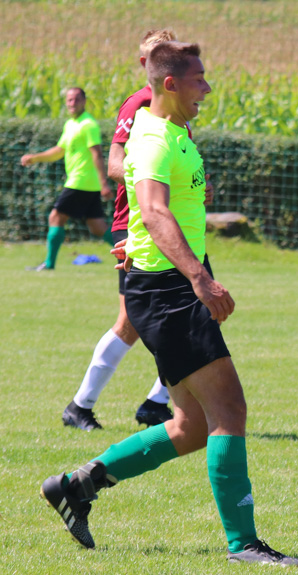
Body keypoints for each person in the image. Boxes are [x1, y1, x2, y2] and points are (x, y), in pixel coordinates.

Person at [40, 41, 298, 566]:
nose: (207, 88)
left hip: (164, 286)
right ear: (170, 85)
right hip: (167, 291)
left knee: (191, 427)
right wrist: (201, 280)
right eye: (199, 79)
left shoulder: (175, 131)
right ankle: (243, 545)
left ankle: (77, 485)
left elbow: (153, 214)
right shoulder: (157, 137)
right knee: (229, 410)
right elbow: (156, 213)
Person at [61, 30, 187, 432]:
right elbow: (117, 165)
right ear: (143, 64)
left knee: (197, 310)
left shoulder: (177, 108)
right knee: (135, 321)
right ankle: (86, 405)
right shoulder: (140, 102)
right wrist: (153, 178)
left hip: (170, 223)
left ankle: (153, 403)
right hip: (134, 224)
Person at [20, 87, 114, 271]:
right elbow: (59, 151)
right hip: (86, 184)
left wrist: (104, 183)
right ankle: (131, 255)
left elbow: (97, 154)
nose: (72, 103)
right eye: (69, 100)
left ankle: (49, 264)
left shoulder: (88, 124)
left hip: (80, 182)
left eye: (76, 99)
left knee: (56, 217)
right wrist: (35, 157)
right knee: (97, 226)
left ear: (84, 101)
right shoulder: (71, 124)